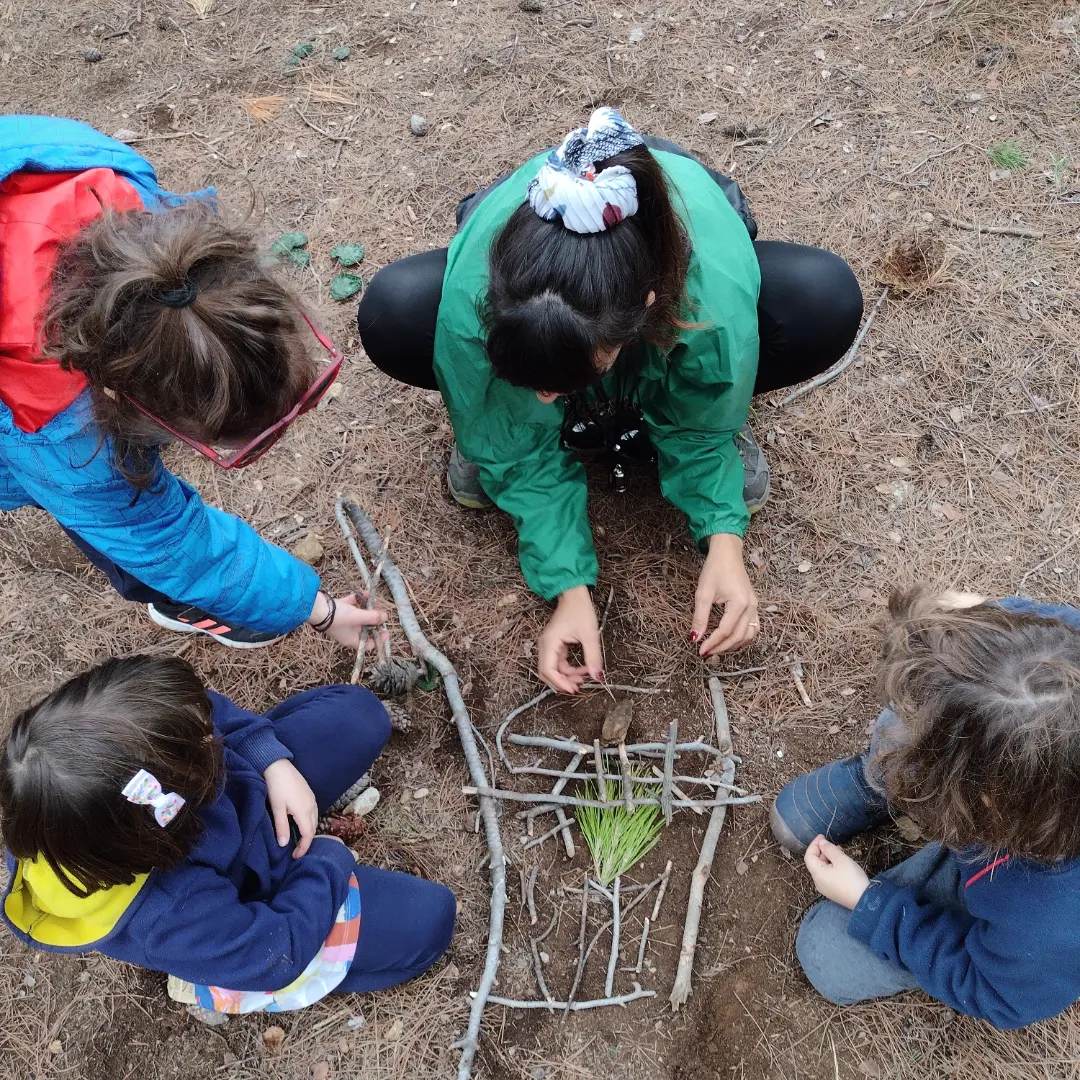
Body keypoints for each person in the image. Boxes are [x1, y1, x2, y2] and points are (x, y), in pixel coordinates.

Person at [358, 108, 863, 694]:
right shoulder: (480, 290)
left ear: (647, 307)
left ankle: (637, 397)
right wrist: (568, 587)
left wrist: (725, 541)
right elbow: (520, 445)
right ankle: (499, 421)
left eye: (559, 385)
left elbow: (701, 420)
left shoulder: (708, 295)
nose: (544, 396)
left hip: (679, 278)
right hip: (556, 307)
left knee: (820, 297)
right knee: (396, 309)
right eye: (536, 384)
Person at [0, 115, 381, 649]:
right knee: (116, 525)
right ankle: (173, 600)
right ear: (114, 397)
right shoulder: (60, 437)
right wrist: (315, 610)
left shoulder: (121, 194)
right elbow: (170, 540)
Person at [0, 655, 456, 1009]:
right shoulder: (167, 914)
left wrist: (271, 761)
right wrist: (327, 858)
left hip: (254, 810)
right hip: (251, 905)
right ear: (166, 815)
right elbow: (276, 953)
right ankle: (206, 982)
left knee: (360, 715)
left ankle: (267, 795)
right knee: (429, 921)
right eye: (200, 746)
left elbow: (208, 711)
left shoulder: (123, 735)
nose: (209, 731)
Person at [771, 588, 1080, 1029]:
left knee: (825, 954)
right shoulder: (1057, 668)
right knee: (944, 701)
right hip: (1012, 807)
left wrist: (869, 904)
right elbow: (1032, 646)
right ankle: (879, 777)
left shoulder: (1051, 926)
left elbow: (993, 990)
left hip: (1013, 879)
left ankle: (918, 793)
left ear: (983, 805)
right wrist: (979, 618)